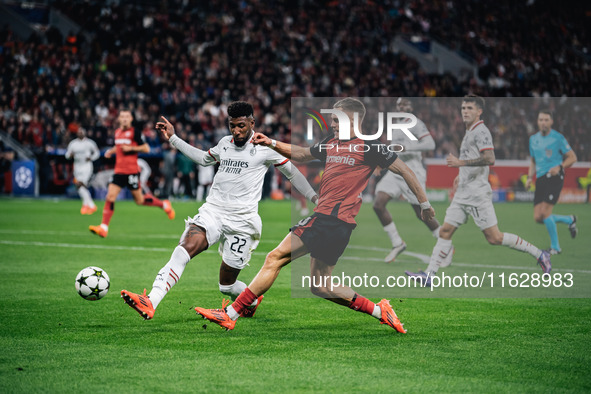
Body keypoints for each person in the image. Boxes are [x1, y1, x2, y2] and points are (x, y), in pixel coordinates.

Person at [194, 98, 435, 332]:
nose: (333, 123)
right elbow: (301, 154)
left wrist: (424, 205)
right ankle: (380, 311)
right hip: (339, 226)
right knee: (320, 286)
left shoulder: (370, 146)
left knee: (274, 258)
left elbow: (405, 170)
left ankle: (230, 314)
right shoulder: (332, 142)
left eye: (336, 119)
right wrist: (271, 143)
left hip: (330, 220)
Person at [120, 101, 318, 320]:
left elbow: (293, 173)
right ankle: (151, 301)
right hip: (213, 211)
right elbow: (204, 159)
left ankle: (249, 299)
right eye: (232, 125)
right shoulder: (225, 143)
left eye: (241, 125)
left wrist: (314, 197)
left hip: (243, 222)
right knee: (184, 248)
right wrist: (174, 138)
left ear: (252, 122)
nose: (236, 131)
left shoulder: (265, 147)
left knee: (226, 285)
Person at [406, 95, 552, 286]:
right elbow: (474, 158)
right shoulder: (469, 132)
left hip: (477, 195)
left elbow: (490, 158)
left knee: (494, 237)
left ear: (479, 111)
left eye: (469, 108)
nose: (465, 111)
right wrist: (461, 173)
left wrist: (461, 163)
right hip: (463, 193)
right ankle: (430, 275)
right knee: (445, 231)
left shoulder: (481, 131)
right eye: (463, 108)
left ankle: (540, 254)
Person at [373, 97, 451, 263]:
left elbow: (430, 144)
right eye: (399, 104)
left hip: (411, 171)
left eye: (405, 104)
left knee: (421, 212)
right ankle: (397, 243)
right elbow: (393, 151)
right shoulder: (396, 126)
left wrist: (407, 147)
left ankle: (445, 246)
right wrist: (381, 164)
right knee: (378, 204)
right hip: (395, 171)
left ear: (410, 107)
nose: (401, 107)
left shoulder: (415, 123)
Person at [89, 110, 175, 238]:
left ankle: (164, 204)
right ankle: (103, 228)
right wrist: (111, 151)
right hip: (118, 171)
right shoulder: (117, 132)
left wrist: (131, 148)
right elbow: (118, 147)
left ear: (131, 119)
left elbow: (146, 148)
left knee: (139, 200)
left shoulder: (135, 132)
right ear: (119, 119)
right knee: (110, 197)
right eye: (122, 116)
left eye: (126, 117)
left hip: (131, 172)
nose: (124, 119)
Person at [525, 109, 578, 254]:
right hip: (540, 179)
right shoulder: (533, 139)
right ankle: (569, 220)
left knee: (545, 213)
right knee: (538, 217)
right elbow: (533, 160)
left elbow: (572, 157)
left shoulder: (558, 138)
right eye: (541, 120)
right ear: (537, 121)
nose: (543, 122)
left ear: (551, 122)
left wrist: (559, 166)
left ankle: (555, 247)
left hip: (555, 176)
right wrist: (530, 177)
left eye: (546, 120)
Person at [65, 128, 100, 214]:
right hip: (77, 166)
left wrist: (91, 158)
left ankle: (87, 205)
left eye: (82, 132)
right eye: (79, 132)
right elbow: (67, 155)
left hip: (86, 166)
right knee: (80, 187)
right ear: (77, 134)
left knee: (80, 184)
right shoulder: (73, 143)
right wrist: (70, 155)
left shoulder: (90, 143)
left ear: (85, 133)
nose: (80, 133)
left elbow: (97, 153)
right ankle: (89, 205)